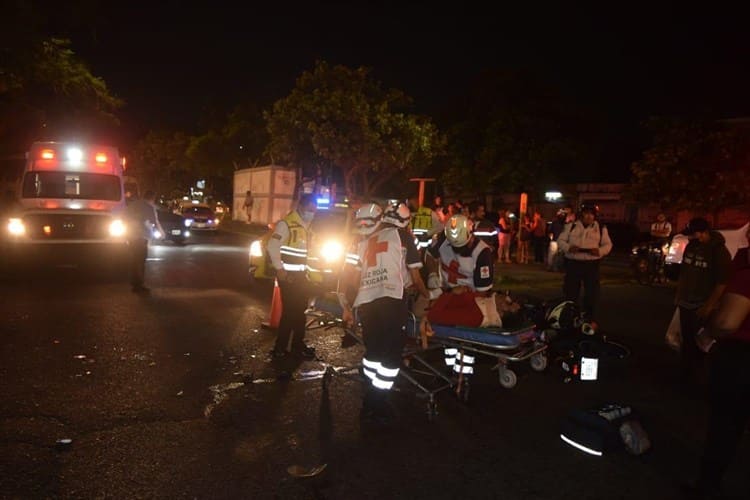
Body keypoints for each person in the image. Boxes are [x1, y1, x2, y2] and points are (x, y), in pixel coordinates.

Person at [340, 202, 428, 425]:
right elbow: (416, 278)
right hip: (392, 301)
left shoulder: (362, 242)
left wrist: (346, 307)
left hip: (367, 303)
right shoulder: (403, 236)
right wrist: (428, 296)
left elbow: (350, 277)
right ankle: (375, 402)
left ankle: (371, 394)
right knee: (391, 357)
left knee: (375, 349)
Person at [686, 224, 750, 499]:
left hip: (741, 358)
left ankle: (708, 485)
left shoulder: (746, 270)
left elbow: (727, 321)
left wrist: (707, 334)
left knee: (725, 425)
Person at [426, 214, 495, 376]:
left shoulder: (482, 252)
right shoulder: (444, 238)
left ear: (470, 235)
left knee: (466, 339)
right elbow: (429, 256)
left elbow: (482, 291)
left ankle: (463, 376)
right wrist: (432, 275)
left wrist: (458, 295)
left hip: (468, 301)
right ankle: (449, 370)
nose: (458, 250)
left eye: (462, 247)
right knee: (447, 337)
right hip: (447, 295)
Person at [674, 217, 731, 383]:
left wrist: (709, 306)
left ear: (704, 232)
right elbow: (685, 273)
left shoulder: (719, 252)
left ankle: (701, 377)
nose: (692, 237)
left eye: (694, 234)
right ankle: (686, 375)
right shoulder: (692, 246)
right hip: (685, 302)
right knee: (687, 341)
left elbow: (722, 283)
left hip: (702, 305)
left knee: (702, 344)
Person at [266, 194, 318, 359]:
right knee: (290, 313)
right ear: (301, 207)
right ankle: (280, 348)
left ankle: (297, 345)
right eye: (310, 209)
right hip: (288, 277)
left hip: (301, 277)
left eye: (314, 210)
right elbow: (272, 246)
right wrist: (280, 270)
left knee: (299, 313)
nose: (312, 212)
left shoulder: (305, 226)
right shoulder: (286, 224)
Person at [557, 203, 612, 319]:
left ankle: (588, 317)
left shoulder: (601, 228)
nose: (588, 216)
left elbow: (608, 245)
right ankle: (570, 316)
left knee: (591, 294)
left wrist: (599, 251)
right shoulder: (571, 226)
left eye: (591, 214)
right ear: (581, 214)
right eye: (586, 213)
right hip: (574, 263)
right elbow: (560, 241)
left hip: (591, 264)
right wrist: (568, 248)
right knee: (570, 292)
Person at [126, 189, 164, 294]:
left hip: (131, 236)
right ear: (152, 198)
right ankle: (139, 284)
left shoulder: (134, 204)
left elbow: (125, 217)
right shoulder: (148, 207)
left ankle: (134, 283)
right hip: (141, 237)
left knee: (134, 260)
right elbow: (155, 222)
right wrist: (162, 233)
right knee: (140, 261)